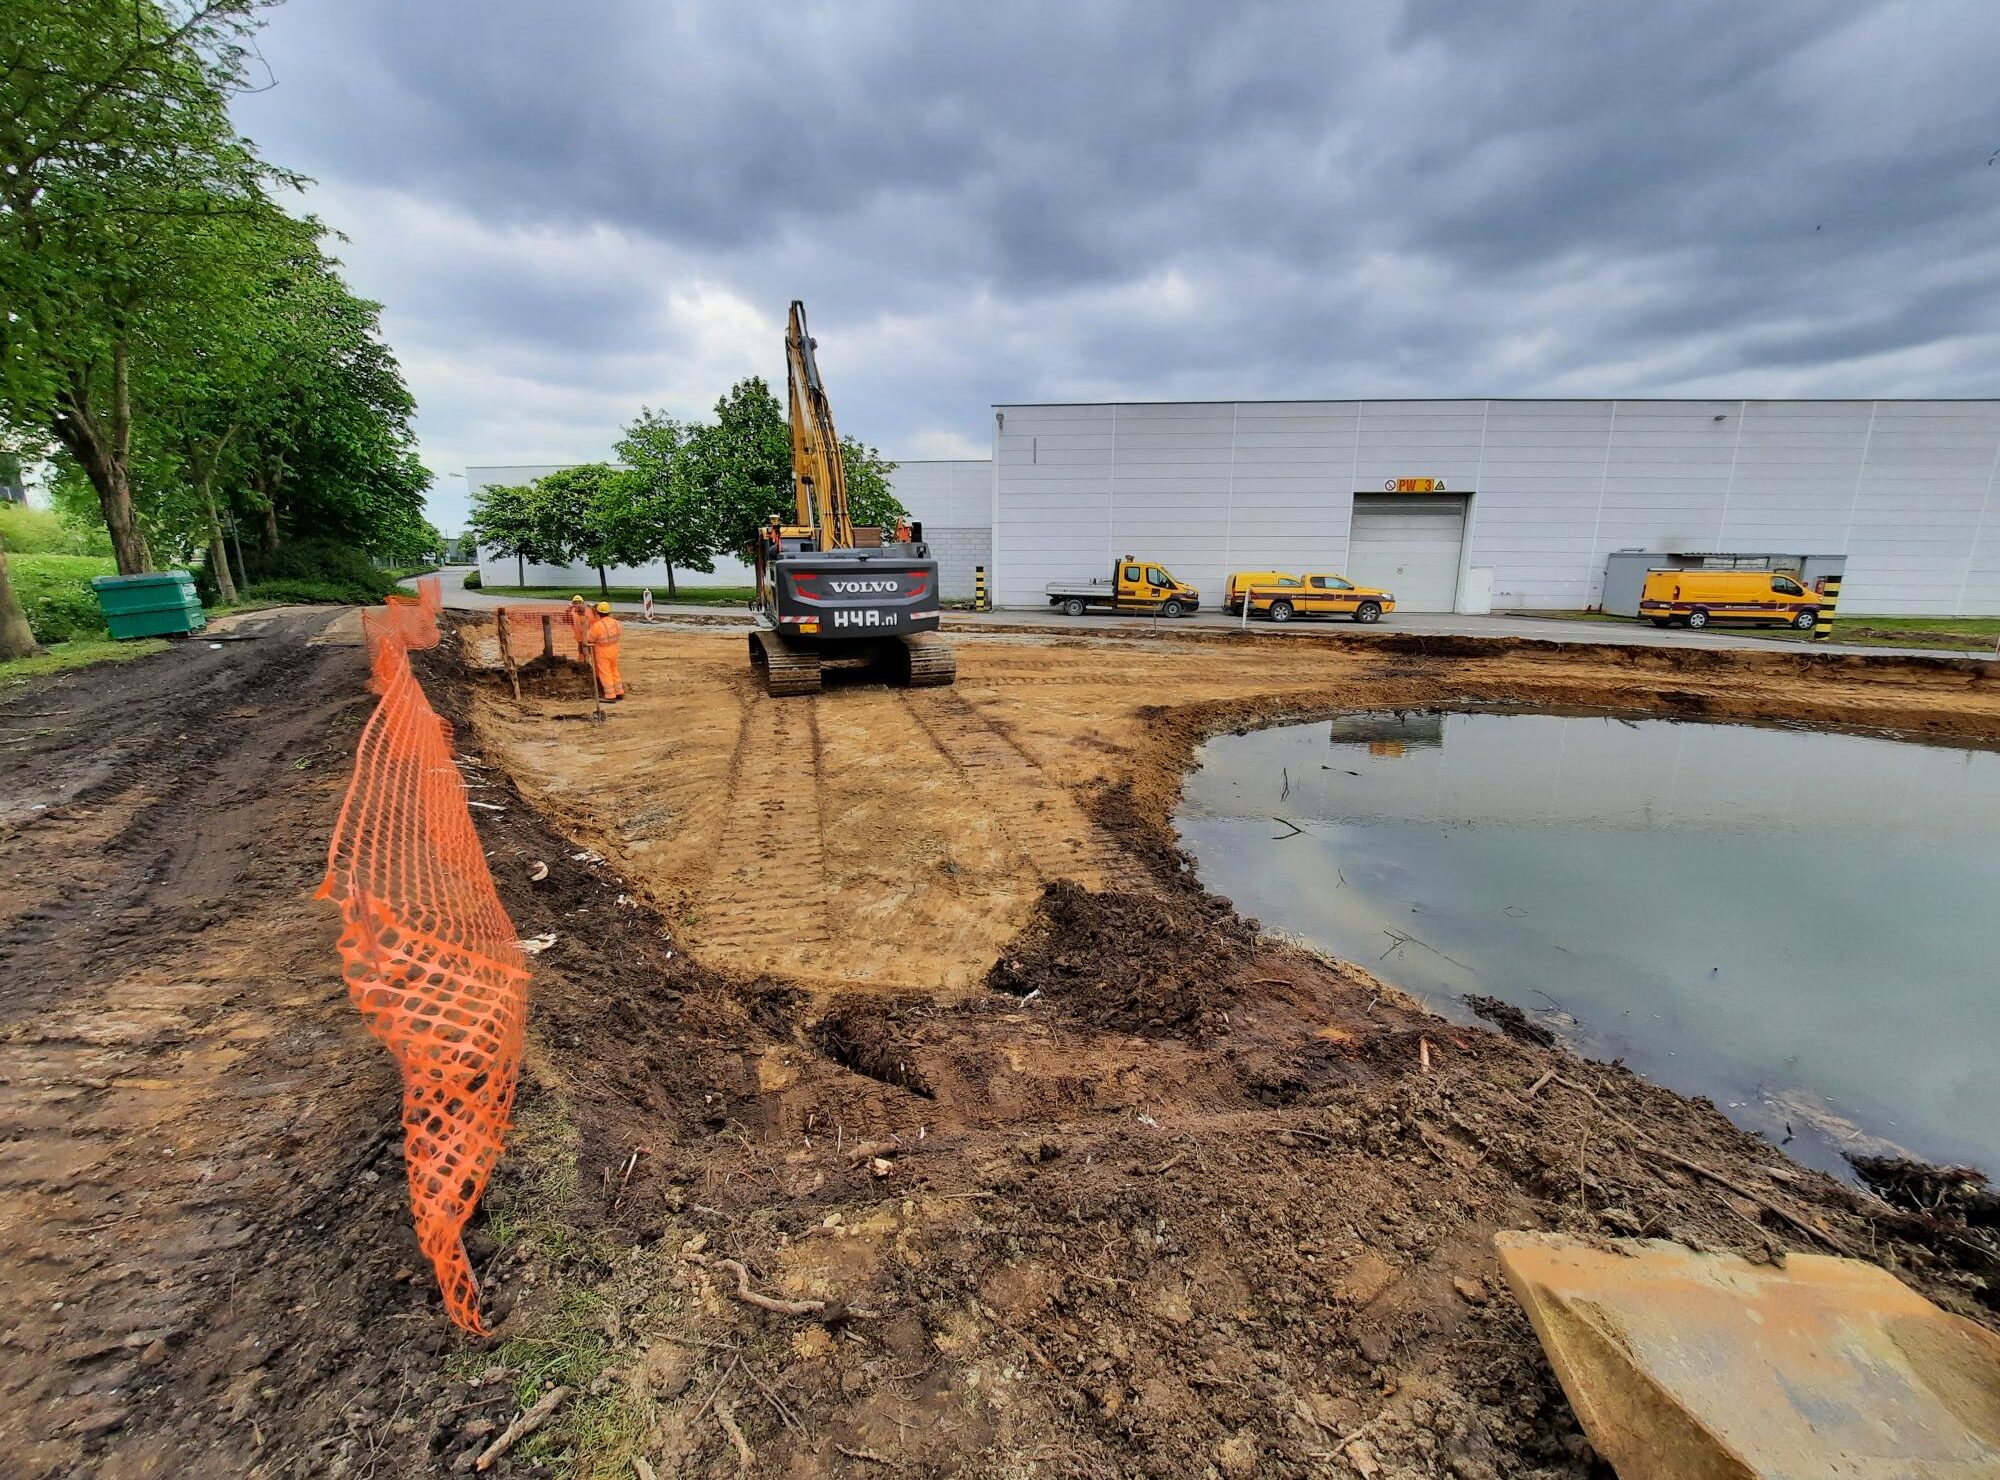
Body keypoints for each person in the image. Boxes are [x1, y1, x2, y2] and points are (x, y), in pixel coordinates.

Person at [585, 601, 625, 701]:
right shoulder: (616, 623)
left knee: (605, 673)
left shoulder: (598, 625)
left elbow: (590, 639)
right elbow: (619, 633)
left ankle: (610, 695)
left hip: (602, 652)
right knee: (614, 670)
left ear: (598, 613)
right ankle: (619, 692)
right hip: (614, 650)